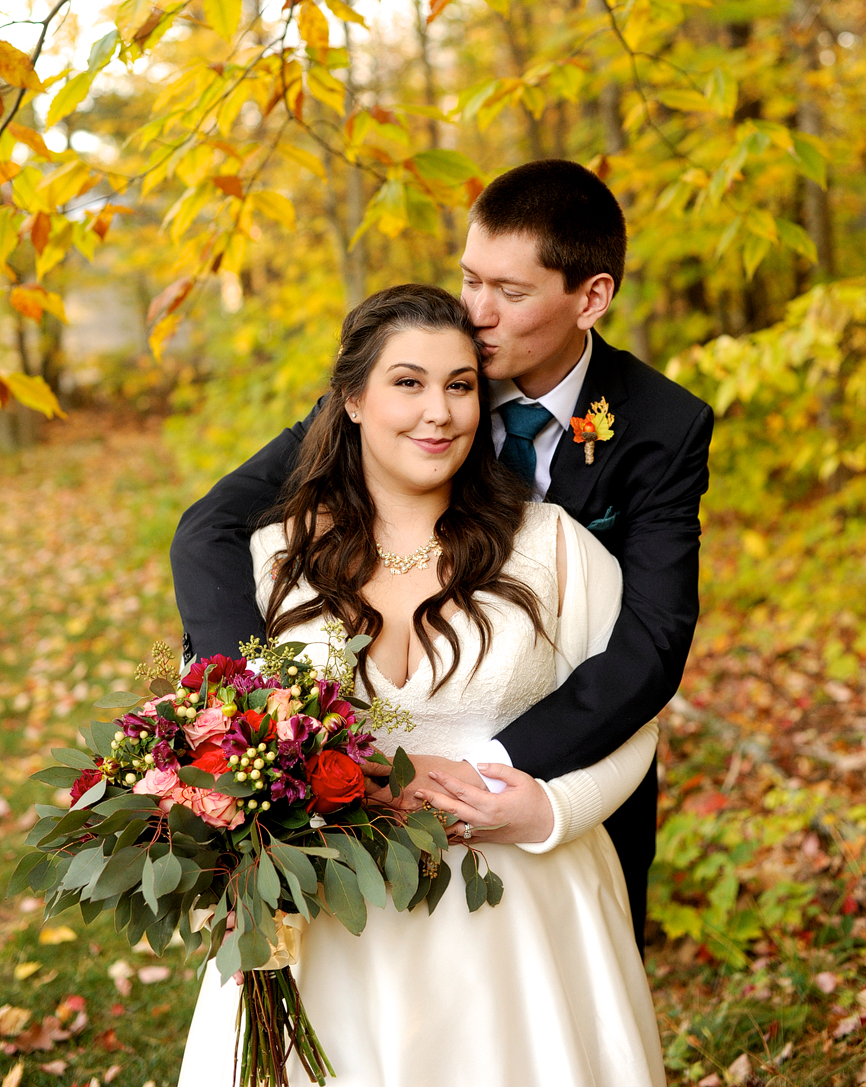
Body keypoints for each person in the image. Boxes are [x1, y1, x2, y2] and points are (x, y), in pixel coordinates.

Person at [171, 159, 713, 949]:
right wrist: (251, 718)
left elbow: (652, 641)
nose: (477, 312)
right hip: (370, 785)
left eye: (511, 293)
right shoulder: (418, 377)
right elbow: (209, 528)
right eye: (470, 278)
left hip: (569, 759)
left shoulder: (662, 426)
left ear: (590, 297)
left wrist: (490, 775)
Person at [178, 285, 666, 1087]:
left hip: (522, 922)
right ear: (352, 398)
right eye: (408, 382)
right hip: (328, 914)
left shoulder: (553, 548)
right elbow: (230, 734)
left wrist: (550, 809)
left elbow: (630, 715)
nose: (439, 412)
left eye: (461, 384)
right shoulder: (271, 559)